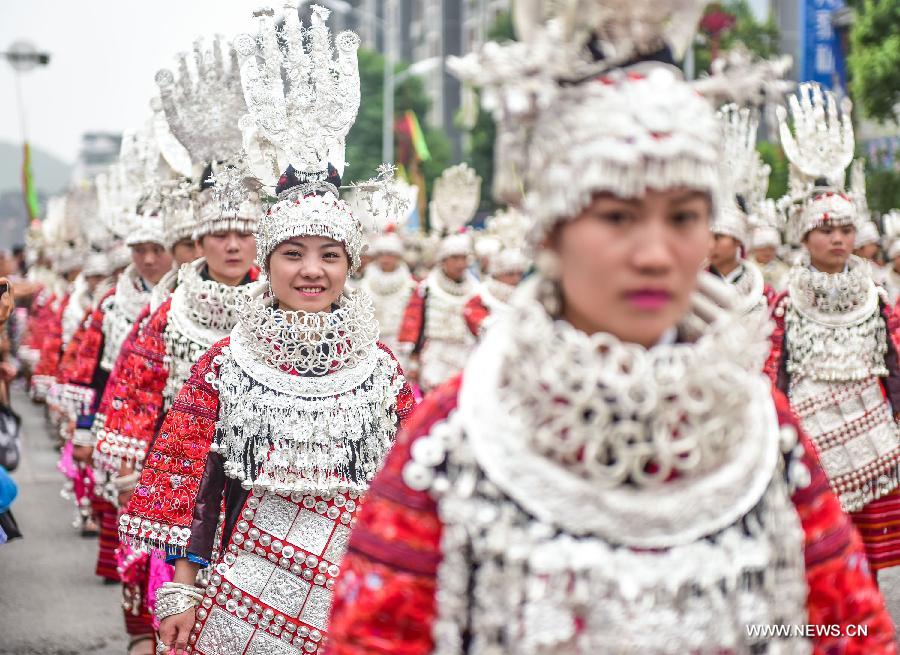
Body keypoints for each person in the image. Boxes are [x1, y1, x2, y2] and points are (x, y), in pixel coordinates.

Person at [326, 7, 895, 653]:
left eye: (684, 216)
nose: (655, 252)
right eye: (619, 216)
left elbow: (847, 632)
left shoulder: (761, 431)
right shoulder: (453, 440)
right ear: (551, 230)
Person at [120, 7, 415, 655]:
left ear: (349, 264)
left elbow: (409, 496)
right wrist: (183, 586)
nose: (311, 269)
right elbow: (200, 488)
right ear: (268, 261)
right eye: (293, 253)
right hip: (241, 600)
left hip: (349, 597)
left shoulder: (385, 372)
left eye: (329, 254)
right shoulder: (226, 364)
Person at [767, 84, 900, 578]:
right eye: (826, 229)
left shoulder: (876, 294)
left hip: (872, 433)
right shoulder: (786, 299)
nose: (839, 238)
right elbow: (775, 370)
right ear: (805, 236)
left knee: (869, 558)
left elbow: (893, 363)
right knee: (816, 557)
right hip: (810, 432)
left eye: (845, 229)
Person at [358, 230, 416, 367]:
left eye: (390, 255)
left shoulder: (411, 285)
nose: (386, 259)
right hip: (369, 344)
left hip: (400, 346)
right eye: (382, 255)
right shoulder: (362, 283)